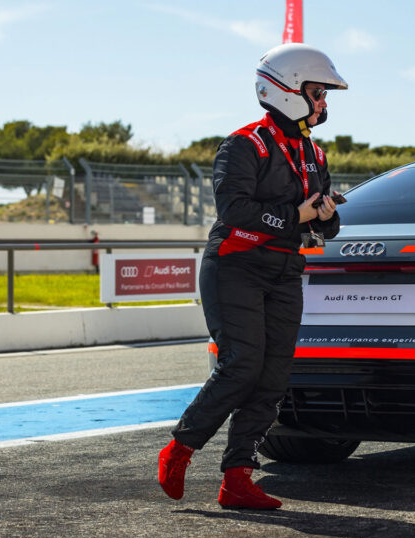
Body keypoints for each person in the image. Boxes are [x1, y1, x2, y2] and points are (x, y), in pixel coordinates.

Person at [157, 43, 347, 509]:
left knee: (273, 377)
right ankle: (180, 448)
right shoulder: (243, 144)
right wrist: (296, 213)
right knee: (241, 366)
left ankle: (238, 478)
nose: (324, 103)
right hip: (235, 267)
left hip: (284, 271)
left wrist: (323, 214)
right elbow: (234, 210)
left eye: (324, 95)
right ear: (287, 90)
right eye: (318, 92)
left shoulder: (314, 154)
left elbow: (324, 226)